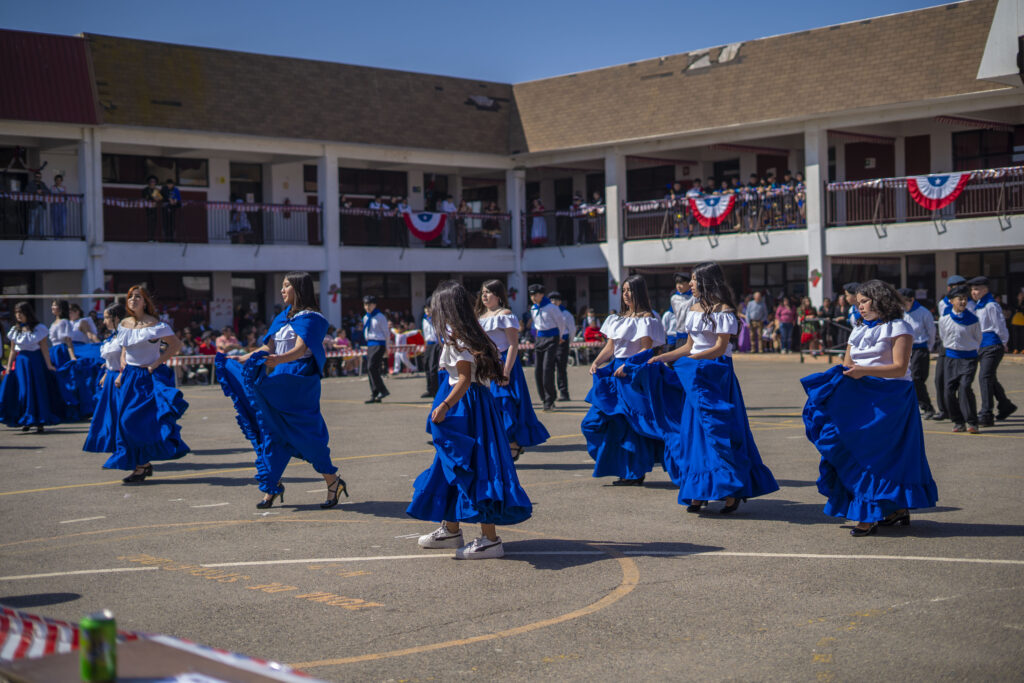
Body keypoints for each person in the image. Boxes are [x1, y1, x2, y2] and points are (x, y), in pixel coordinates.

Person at [801, 280, 938, 536]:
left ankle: (870, 513)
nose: (859, 305)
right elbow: (847, 365)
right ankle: (893, 509)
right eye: (859, 301)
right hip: (861, 395)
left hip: (891, 398)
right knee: (844, 445)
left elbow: (899, 367)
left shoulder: (900, 326)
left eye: (864, 301)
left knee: (877, 457)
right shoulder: (859, 328)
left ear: (880, 300)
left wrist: (863, 371)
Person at [409, 280, 532, 559]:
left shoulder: (459, 337)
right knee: (451, 464)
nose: (432, 312)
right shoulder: (471, 332)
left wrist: (443, 406)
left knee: (474, 466)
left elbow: (463, 380)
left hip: (467, 407)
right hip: (473, 405)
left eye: (436, 307)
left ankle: (490, 539)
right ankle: (451, 528)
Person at [648, 261, 778, 513]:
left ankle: (730, 490)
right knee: (694, 434)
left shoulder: (724, 310)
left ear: (707, 281)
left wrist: (688, 361)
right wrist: (663, 357)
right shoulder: (693, 308)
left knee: (718, 433)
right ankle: (699, 491)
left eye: (695, 279)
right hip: (694, 374)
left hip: (716, 374)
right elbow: (688, 345)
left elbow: (719, 348)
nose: (691, 283)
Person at [215, 272, 346, 508]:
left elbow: (300, 350)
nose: (282, 290)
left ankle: (333, 482)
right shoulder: (283, 317)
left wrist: (277, 359)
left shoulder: (313, 318)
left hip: (298, 382)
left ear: (299, 289)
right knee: (273, 434)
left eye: (287, 286)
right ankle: (271, 488)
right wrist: (240, 358)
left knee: (307, 436)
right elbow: (268, 346)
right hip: (279, 377)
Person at [583, 274, 666, 486]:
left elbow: (647, 350)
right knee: (593, 423)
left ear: (639, 292)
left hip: (632, 374)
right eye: (624, 290)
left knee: (631, 425)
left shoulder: (647, 318)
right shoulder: (616, 318)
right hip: (613, 373)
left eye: (630, 290)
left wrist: (628, 366)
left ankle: (634, 472)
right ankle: (625, 468)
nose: (626, 294)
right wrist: (597, 362)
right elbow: (610, 348)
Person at [106, 285, 189, 483]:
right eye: (130, 297)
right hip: (129, 377)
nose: (133, 300)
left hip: (147, 377)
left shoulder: (156, 325)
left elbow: (176, 345)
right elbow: (125, 347)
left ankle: (142, 465)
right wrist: (122, 371)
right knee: (124, 422)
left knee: (136, 421)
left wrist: (155, 364)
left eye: (137, 297)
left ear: (145, 302)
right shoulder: (125, 324)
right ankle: (141, 465)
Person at [476, 279, 549, 461]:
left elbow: (513, 346)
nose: (484, 295)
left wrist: (506, 371)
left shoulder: (505, 314)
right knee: (492, 407)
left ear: (499, 295)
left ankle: (513, 444)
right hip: (487, 368)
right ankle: (502, 446)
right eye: (483, 292)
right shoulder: (480, 316)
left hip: (504, 365)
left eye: (489, 292)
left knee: (506, 405)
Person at [0, 302, 61, 432]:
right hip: (21, 362)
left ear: (28, 313)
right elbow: (12, 350)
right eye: (16, 313)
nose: (18, 316)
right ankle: (26, 419)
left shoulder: (39, 328)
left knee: (37, 390)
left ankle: (39, 421)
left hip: (36, 362)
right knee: (23, 391)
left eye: (21, 313)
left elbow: (44, 348)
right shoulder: (15, 330)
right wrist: (9, 367)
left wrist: (49, 365)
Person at [968, 276, 1016, 426]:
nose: (973, 292)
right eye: (972, 289)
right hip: (981, 345)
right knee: (989, 378)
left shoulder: (990, 305)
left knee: (984, 377)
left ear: (985, 290)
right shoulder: (979, 305)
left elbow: (999, 326)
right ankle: (1005, 405)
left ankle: (986, 413)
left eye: (976, 289)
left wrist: (1003, 342)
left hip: (992, 345)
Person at [83, 304, 127, 453]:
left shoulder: (125, 335)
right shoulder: (112, 336)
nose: (104, 321)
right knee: (108, 417)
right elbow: (111, 360)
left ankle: (125, 448)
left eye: (107, 317)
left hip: (122, 379)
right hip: (110, 379)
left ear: (117, 318)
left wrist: (119, 374)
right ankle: (115, 447)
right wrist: (107, 373)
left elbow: (128, 359)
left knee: (121, 416)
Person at [939, 286, 982, 433]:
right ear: (951, 301)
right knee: (949, 391)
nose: (963, 302)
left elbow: (978, 339)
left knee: (964, 388)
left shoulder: (973, 320)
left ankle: (972, 421)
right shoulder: (944, 319)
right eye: (960, 299)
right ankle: (958, 421)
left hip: (968, 358)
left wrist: (970, 350)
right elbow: (944, 337)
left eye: (965, 299)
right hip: (951, 358)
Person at [931, 275, 966, 421]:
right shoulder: (943, 303)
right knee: (939, 378)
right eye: (955, 287)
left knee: (960, 382)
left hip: (962, 346)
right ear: (949, 288)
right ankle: (944, 409)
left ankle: (962, 411)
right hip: (946, 345)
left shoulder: (967, 304)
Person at [899, 288, 936, 419]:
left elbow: (931, 332)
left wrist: (929, 348)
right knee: (904, 378)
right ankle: (911, 406)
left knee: (917, 379)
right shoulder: (901, 313)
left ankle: (927, 407)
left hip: (920, 348)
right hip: (904, 349)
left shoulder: (923, 312)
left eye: (904, 302)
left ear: (911, 300)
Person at [527, 284, 562, 411]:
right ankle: (543, 397)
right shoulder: (533, 308)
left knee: (547, 369)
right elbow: (536, 325)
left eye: (535, 295)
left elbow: (560, 322)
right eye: (531, 295)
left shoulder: (551, 307)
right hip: (540, 339)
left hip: (552, 337)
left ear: (541, 295)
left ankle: (549, 399)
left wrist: (561, 336)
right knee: (538, 370)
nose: (533, 298)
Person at [362, 295, 390, 403]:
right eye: (365, 305)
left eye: (369, 304)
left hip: (379, 343)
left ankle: (382, 390)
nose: (367, 307)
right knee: (370, 369)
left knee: (371, 367)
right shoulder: (366, 317)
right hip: (370, 344)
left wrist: (387, 347)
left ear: (374, 305)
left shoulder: (380, 316)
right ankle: (375, 393)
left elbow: (386, 333)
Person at [549, 291, 575, 401]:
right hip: (550, 342)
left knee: (561, 368)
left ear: (560, 301)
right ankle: (551, 393)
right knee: (549, 369)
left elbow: (572, 329)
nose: (554, 302)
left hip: (562, 343)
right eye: (552, 300)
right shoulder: (548, 312)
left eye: (556, 300)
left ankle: (564, 393)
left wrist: (568, 342)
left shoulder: (566, 314)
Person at [669, 272, 695, 349]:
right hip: (680, 333)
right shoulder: (674, 298)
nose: (678, 286)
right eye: (677, 283)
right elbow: (673, 314)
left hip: (692, 333)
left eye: (681, 283)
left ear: (689, 283)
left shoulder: (694, 297)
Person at [421, 305, 441, 398]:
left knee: (433, 367)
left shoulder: (437, 318)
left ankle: (435, 391)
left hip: (436, 344)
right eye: (426, 309)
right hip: (428, 344)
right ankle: (430, 389)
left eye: (429, 309)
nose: (427, 311)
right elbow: (425, 333)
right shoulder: (424, 320)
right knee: (426, 366)